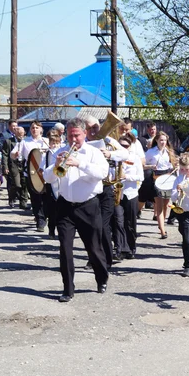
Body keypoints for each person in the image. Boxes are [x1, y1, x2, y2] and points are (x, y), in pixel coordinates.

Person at [42, 117, 109, 302]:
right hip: (65, 206)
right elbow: (48, 178)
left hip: (88, 205)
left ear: (84, 133)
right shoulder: (61, 151)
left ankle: (102, 278)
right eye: (70, 136)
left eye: (76, 136)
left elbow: (103, 173)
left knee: (94, 249)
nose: (73, 140)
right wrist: (56, 166)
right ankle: (68, 289)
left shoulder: (94, 153)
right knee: (65, 248)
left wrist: (80, 163)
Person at [84, 115, 130, 267]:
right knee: (91, 226)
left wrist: (110, 154)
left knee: (103, 225)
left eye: (95, 127)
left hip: (106, 188)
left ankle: (107, 258)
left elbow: (125, 154)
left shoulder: (108, 140)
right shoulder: (82, 143)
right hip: (89, 189)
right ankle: (93, 257)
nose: (93, 131)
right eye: (89, 128)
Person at [11, 121, 50, 231]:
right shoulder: (24, 142)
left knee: (46, 197)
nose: (34, 129)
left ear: (41, 129)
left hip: (45, 174)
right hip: (31, 174)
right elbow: (13, 155)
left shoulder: (46, 141)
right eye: (32, 127)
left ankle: (45, 215)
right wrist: (15, 154)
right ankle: (40, 220)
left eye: (37, 127)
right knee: (35, 197)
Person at [145, 131, 177, 239]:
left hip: (168, 177)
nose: (163, 142)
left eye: (164, 140)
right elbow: (143, 164)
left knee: (165, 205)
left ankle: (161, 224)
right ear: (157, 141)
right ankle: (163, 230)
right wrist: (150, 166)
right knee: (159, 205)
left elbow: (173, 165)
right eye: (161, 140)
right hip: (156, 177)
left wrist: (176, 166)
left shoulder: (169, 152)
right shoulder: (151, 152)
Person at [117, 133, 144, 259]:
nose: (123, 148)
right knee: (118, 222)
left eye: (126, 146)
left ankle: (131, 247)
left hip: (131, 193)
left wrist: (127, 177)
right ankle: (121, 248)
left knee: (130, 223)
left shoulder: (135, 158)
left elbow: (141, 177)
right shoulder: (115, 157)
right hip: (117, 194)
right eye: (121, 145)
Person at [1, 126, 29, 209]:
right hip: (14, 164)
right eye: (18, 133)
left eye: (22, 133)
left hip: (24, 164)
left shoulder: (27, 141)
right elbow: (5, 155)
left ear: (24, 133)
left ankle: (23, 203)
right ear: (15, 133)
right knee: (17, 184)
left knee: (24, 184)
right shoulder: (9, 141)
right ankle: (12, 198)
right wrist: (5, 166)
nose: (20, 135)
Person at [42, 132, 62, 239]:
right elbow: (43, 168)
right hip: (51, 183)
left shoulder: (62, 153)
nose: (55, 145)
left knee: (61, 209)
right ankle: (51, 229)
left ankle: (61, 230)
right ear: (49, 144)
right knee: (52, 209)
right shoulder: (47, 154)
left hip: (61, 183)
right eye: (53, 143)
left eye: (57, 143)